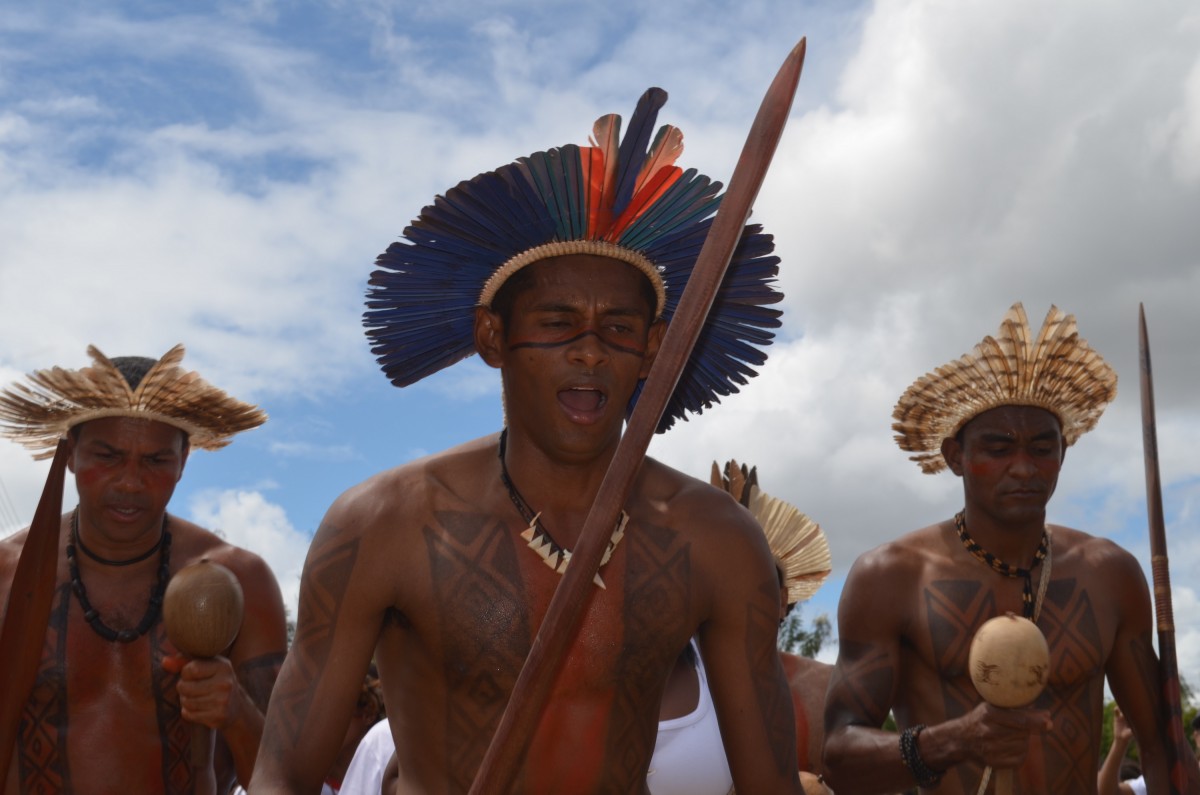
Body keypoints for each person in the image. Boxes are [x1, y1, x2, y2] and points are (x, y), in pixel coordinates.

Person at [252, 87, 802, 794]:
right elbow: (281, 774)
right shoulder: (384, 524)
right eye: (557, 321)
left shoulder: (716, 540)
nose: (590, 352)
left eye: (620, 329)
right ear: (493, 337)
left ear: (656, 350)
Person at [823, 304, 1180, 794]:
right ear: (956, 457)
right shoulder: (892, 578)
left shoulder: (1110, 575)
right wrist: (954, 740)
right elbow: (838, 758)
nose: (1024, 468)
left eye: (1041, 448)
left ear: (1063, 452)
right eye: (998, 448)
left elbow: (1162, 748)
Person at [0, 345, 288, 794]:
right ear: (71, 453)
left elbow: (287, 782)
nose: (130, 481)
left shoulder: (239, 582)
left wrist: (235, 713)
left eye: (155, 460)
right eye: (108, 456)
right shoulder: (7, 578)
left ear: (184, 461)